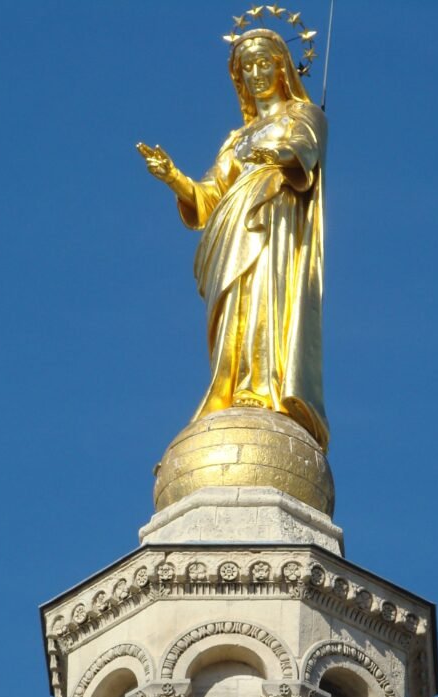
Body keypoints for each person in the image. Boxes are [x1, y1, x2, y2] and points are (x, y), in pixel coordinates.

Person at [138, 28, 329, 450]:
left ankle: (262, 385)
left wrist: (273, 156)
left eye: (265, 63)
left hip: (275, 220)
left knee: (267, 296)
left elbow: (305, 155)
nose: (257, 73)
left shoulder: (303, 115)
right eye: (247, 67)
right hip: (232, 227)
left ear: (282, 67)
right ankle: (232, 382)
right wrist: (172, 177)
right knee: (234, 311)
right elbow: (208, 199)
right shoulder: (236, 140)